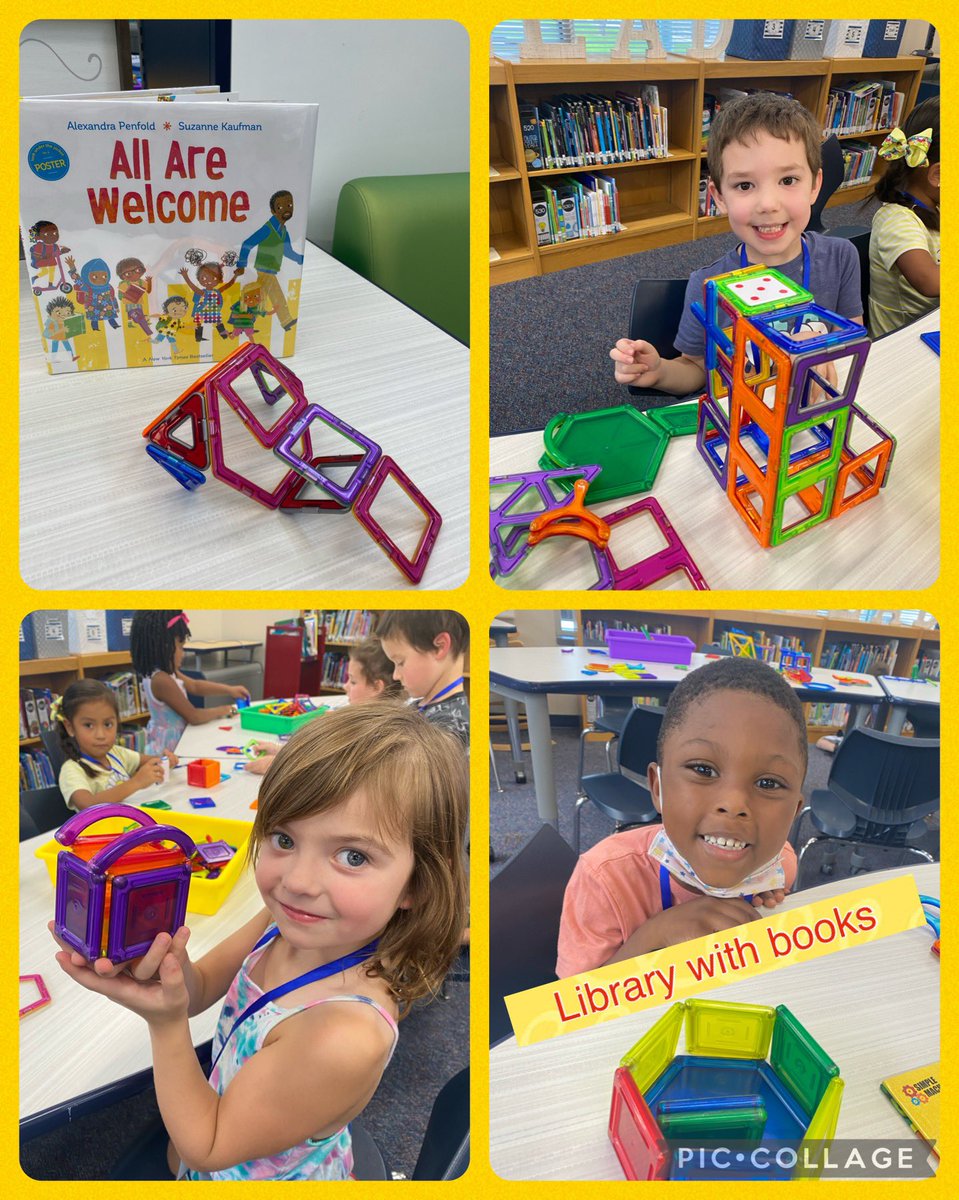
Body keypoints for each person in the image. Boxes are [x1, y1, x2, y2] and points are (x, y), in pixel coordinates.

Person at [51, 704, 468, 1181]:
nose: (298, 881)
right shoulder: (282, 920)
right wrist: (164, 962)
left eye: (352, 856)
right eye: (284, 840)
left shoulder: (345, 1033)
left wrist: (164, 1023)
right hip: (220, 1129)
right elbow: (202, 985)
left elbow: (208, 1146)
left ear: (417, 884)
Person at [556, 657, 805, 978]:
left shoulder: (781, 864)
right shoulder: (604, 879)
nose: (733, 804)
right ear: (658, 787)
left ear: (794, 813)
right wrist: (654, 936)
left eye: (768, 783)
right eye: (703, 770)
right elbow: (569, 1007)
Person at [610, 92, 862, 397]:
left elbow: (852, 340)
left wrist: (819, 350)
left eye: (788, 180)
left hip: (815, 407)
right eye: (745, 185)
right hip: (744, 418)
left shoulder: (841, 257)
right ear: (719, 197)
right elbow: (695, 370)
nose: (768, 204)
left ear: (815, 185)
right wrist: (659, 372)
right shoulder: (706, 284)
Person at [244, 637, 404, 776]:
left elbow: (333, 771)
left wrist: (276, 766)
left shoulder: (378, 731)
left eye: (353, 681)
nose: (345, 686)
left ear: (376, 687)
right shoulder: (377, 719)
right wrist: (279, 750)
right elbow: (319, 755)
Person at [130, 611, 250, 756]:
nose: (183, 653)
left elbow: (195, 686)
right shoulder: (161, 679)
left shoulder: (167, 672)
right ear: (164, 646)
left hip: (173, 741)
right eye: (180, 647)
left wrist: (229, 689)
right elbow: (194, 716)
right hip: (169, 749)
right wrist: (225, 710)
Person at [868, 96, 940, 337]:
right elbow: (930, 282)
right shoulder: (896, 220)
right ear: (938, 175)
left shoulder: (937, 204)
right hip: (903, 340)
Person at [54, 680, 176, 812]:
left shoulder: (115, 753)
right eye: (88, 725)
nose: (101, 735)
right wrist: (137, 782)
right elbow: (87, 805)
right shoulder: (71, 770)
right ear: (70, 727)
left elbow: (150, 761)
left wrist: (164, 761)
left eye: (108, 724)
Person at [375, 611, 470, 749]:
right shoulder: (419, 703)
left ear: (440, 646)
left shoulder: (450, 732)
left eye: (400, 662)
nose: (395, 675)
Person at [237, 189, 304, 332]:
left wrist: (299, 258)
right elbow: (247, 244)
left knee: (258, 298)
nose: (286, 209)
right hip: (264, 268)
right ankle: (285, 322)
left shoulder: (283, 231)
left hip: (271, 268)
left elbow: (287, 251)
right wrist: (241, 264)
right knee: (275, 295)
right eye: (280, 207)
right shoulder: (268, 229)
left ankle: (243, 320)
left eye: (290, 205)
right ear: (273, 211)